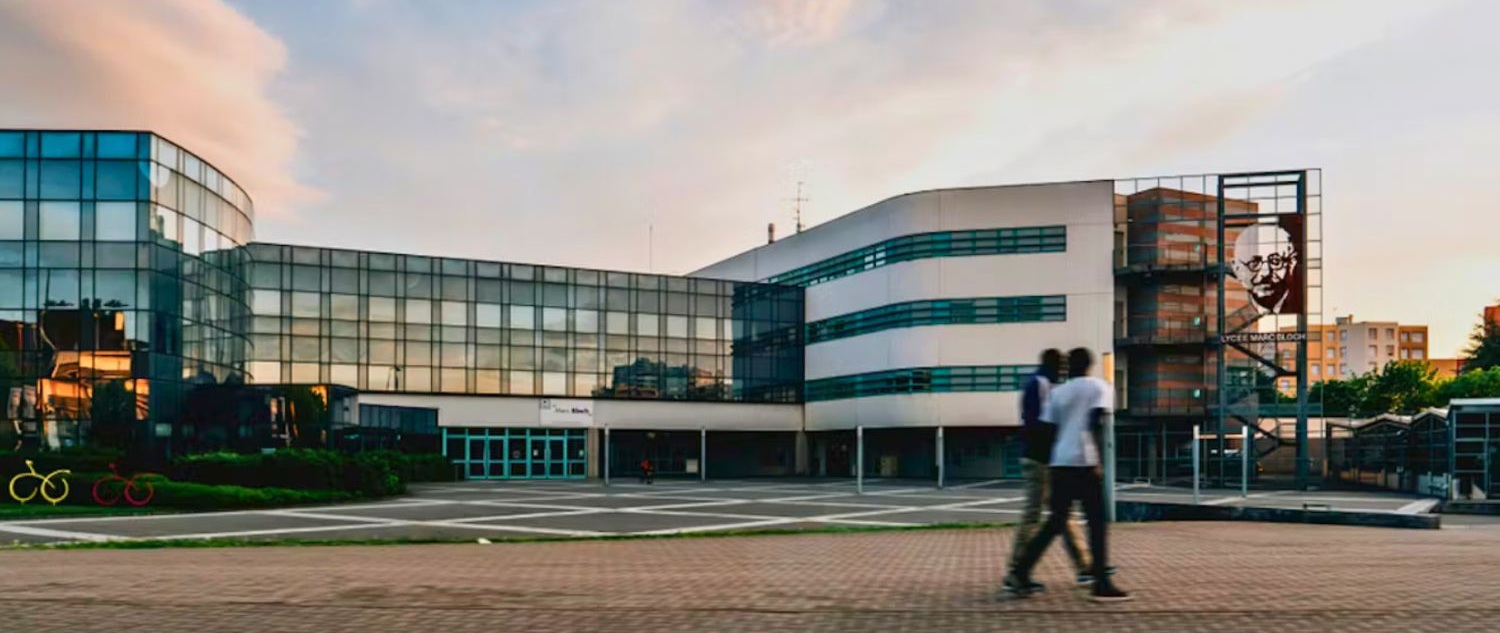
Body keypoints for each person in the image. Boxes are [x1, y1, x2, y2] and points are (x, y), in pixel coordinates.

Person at [1005, 347, 1131, 603]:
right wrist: (1096, 459)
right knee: (1096, 522)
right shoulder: (1099, 387)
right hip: (1084, 461)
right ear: (1089, 365)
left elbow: (1048, 428)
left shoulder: (1058, 392)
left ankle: (1021, 570)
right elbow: (1094, 423)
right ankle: (1100, 582)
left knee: (1055, 521)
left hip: (1059, 462)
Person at [1007, 349, 1092, 594]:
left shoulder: (1039, 384)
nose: (1064, 371)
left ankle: (1085, 566)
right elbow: (1042, 424)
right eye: (1061, 366)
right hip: (1041, 459)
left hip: (1042, 458)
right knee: (1038, 515)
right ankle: (1016, 571)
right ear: (1054, 365)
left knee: (1062, 513)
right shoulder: (1042, 385)